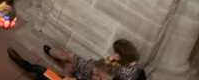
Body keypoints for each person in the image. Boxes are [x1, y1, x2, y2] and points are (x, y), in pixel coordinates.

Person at [8, 40, 142, 80]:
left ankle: (18, 60)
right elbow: (98, 67)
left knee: (40, 71)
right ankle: (52, 54)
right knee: (41, 72)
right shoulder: (109, 67)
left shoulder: (123, 75)